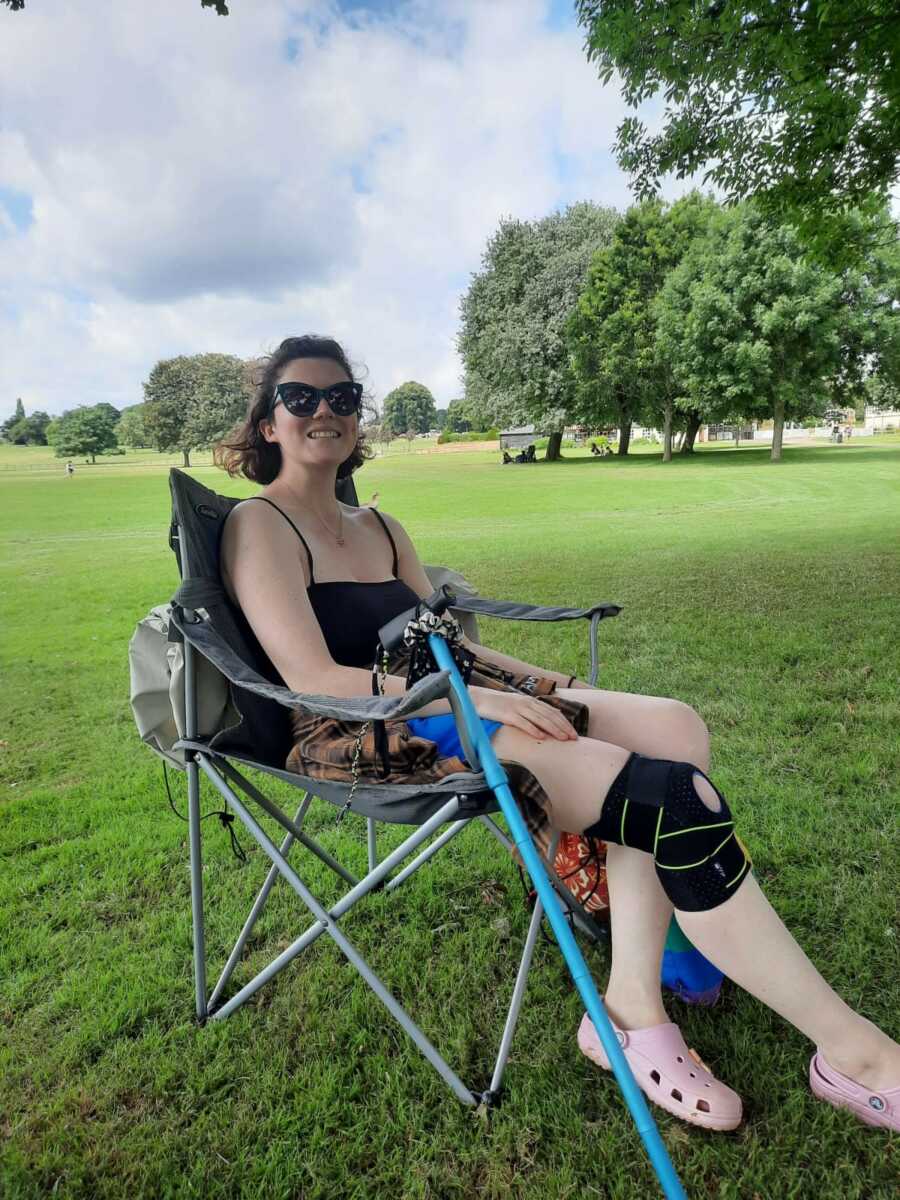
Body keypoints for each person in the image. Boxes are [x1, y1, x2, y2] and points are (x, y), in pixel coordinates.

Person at [214, 334, 899, 1133]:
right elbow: (312, 679)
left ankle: (631, 1003)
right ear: (268, 423)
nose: (324, 412)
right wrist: (475, 704)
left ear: (358, 419)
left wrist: (550, 686)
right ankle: (855, 1056)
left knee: (673, 726)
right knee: (671, 799)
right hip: (368, 730)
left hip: (451, 696)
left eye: (342, 398)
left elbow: (449, 643)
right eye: (301, 398)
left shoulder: (383, 527)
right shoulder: (258, 527)